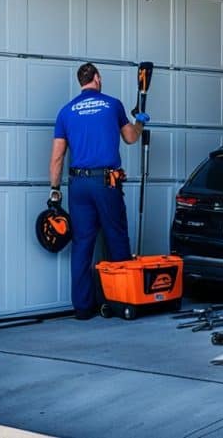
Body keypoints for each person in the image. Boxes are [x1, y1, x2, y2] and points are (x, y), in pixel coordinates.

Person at [50, 62, 149, 319]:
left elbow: (57, 158)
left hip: (78, 185)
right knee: (116, 238)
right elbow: (130, 137)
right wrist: (138, 121)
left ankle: (83, 309)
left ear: (80, 81)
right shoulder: (112, 104)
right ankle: (122, 303)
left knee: (82, 244)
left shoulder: (66, 111)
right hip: (106, 182)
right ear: (97, 78)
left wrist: (54, 191)